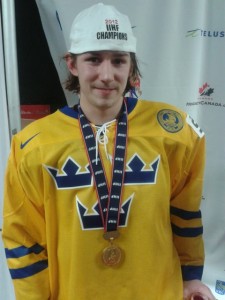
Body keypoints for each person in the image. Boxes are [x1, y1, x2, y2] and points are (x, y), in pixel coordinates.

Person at [2, 3, 216, 300]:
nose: (106, 74)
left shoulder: (174, 132)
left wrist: (191, 278)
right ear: (73, 65)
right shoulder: (34, 145)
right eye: (93, 59)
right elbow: (24, 238)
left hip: (157, 291)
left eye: (118, 60)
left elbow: (185, 213)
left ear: (131, 67)